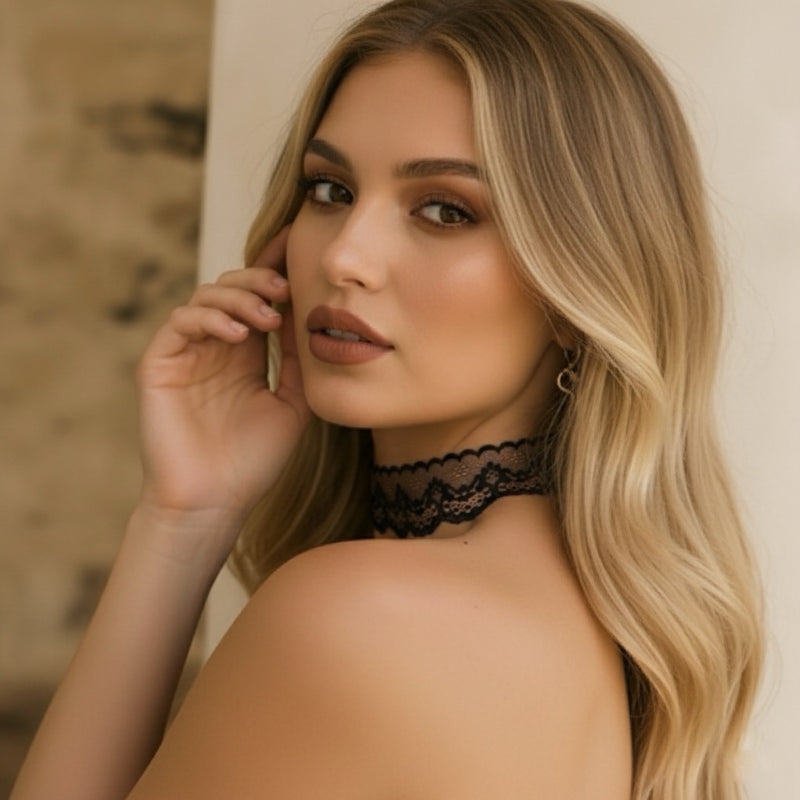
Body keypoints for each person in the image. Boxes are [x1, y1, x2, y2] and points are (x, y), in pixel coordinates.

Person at [11, 0, 763, 798]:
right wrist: (186, 509)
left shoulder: (359, 617)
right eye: (330, 189)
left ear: (578, 297)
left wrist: (175, 530)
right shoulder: (591, 618)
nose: (346, 255)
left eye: (445, 210)